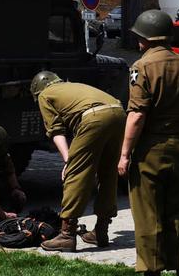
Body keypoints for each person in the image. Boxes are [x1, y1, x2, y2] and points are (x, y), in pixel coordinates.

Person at [119, 9, 179, 276]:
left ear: (144, 39)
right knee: (178, 212)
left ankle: (152, 269)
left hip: (150, 150)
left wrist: (124, 154)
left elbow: (136, 115)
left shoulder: (141, 67)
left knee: (148, 215)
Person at [29, 70, 126, 252]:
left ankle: (67, 235)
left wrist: (68, 161)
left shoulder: (45, 95)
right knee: (108, 174)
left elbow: (56, 131)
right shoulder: (71, 86)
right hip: (119, 113)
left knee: (76, 175)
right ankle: (101, 231)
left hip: (94, 118)